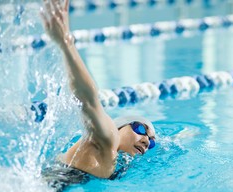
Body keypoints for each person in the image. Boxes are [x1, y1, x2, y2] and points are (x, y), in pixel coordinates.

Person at [40, 0, 156, 182]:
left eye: (152, 142)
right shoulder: (109, 136)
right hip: (46, 188)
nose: (147, 141)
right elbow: (88, 100)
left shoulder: (113, 158)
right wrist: (66, 43)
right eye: (141, 129)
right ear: (121, 126)